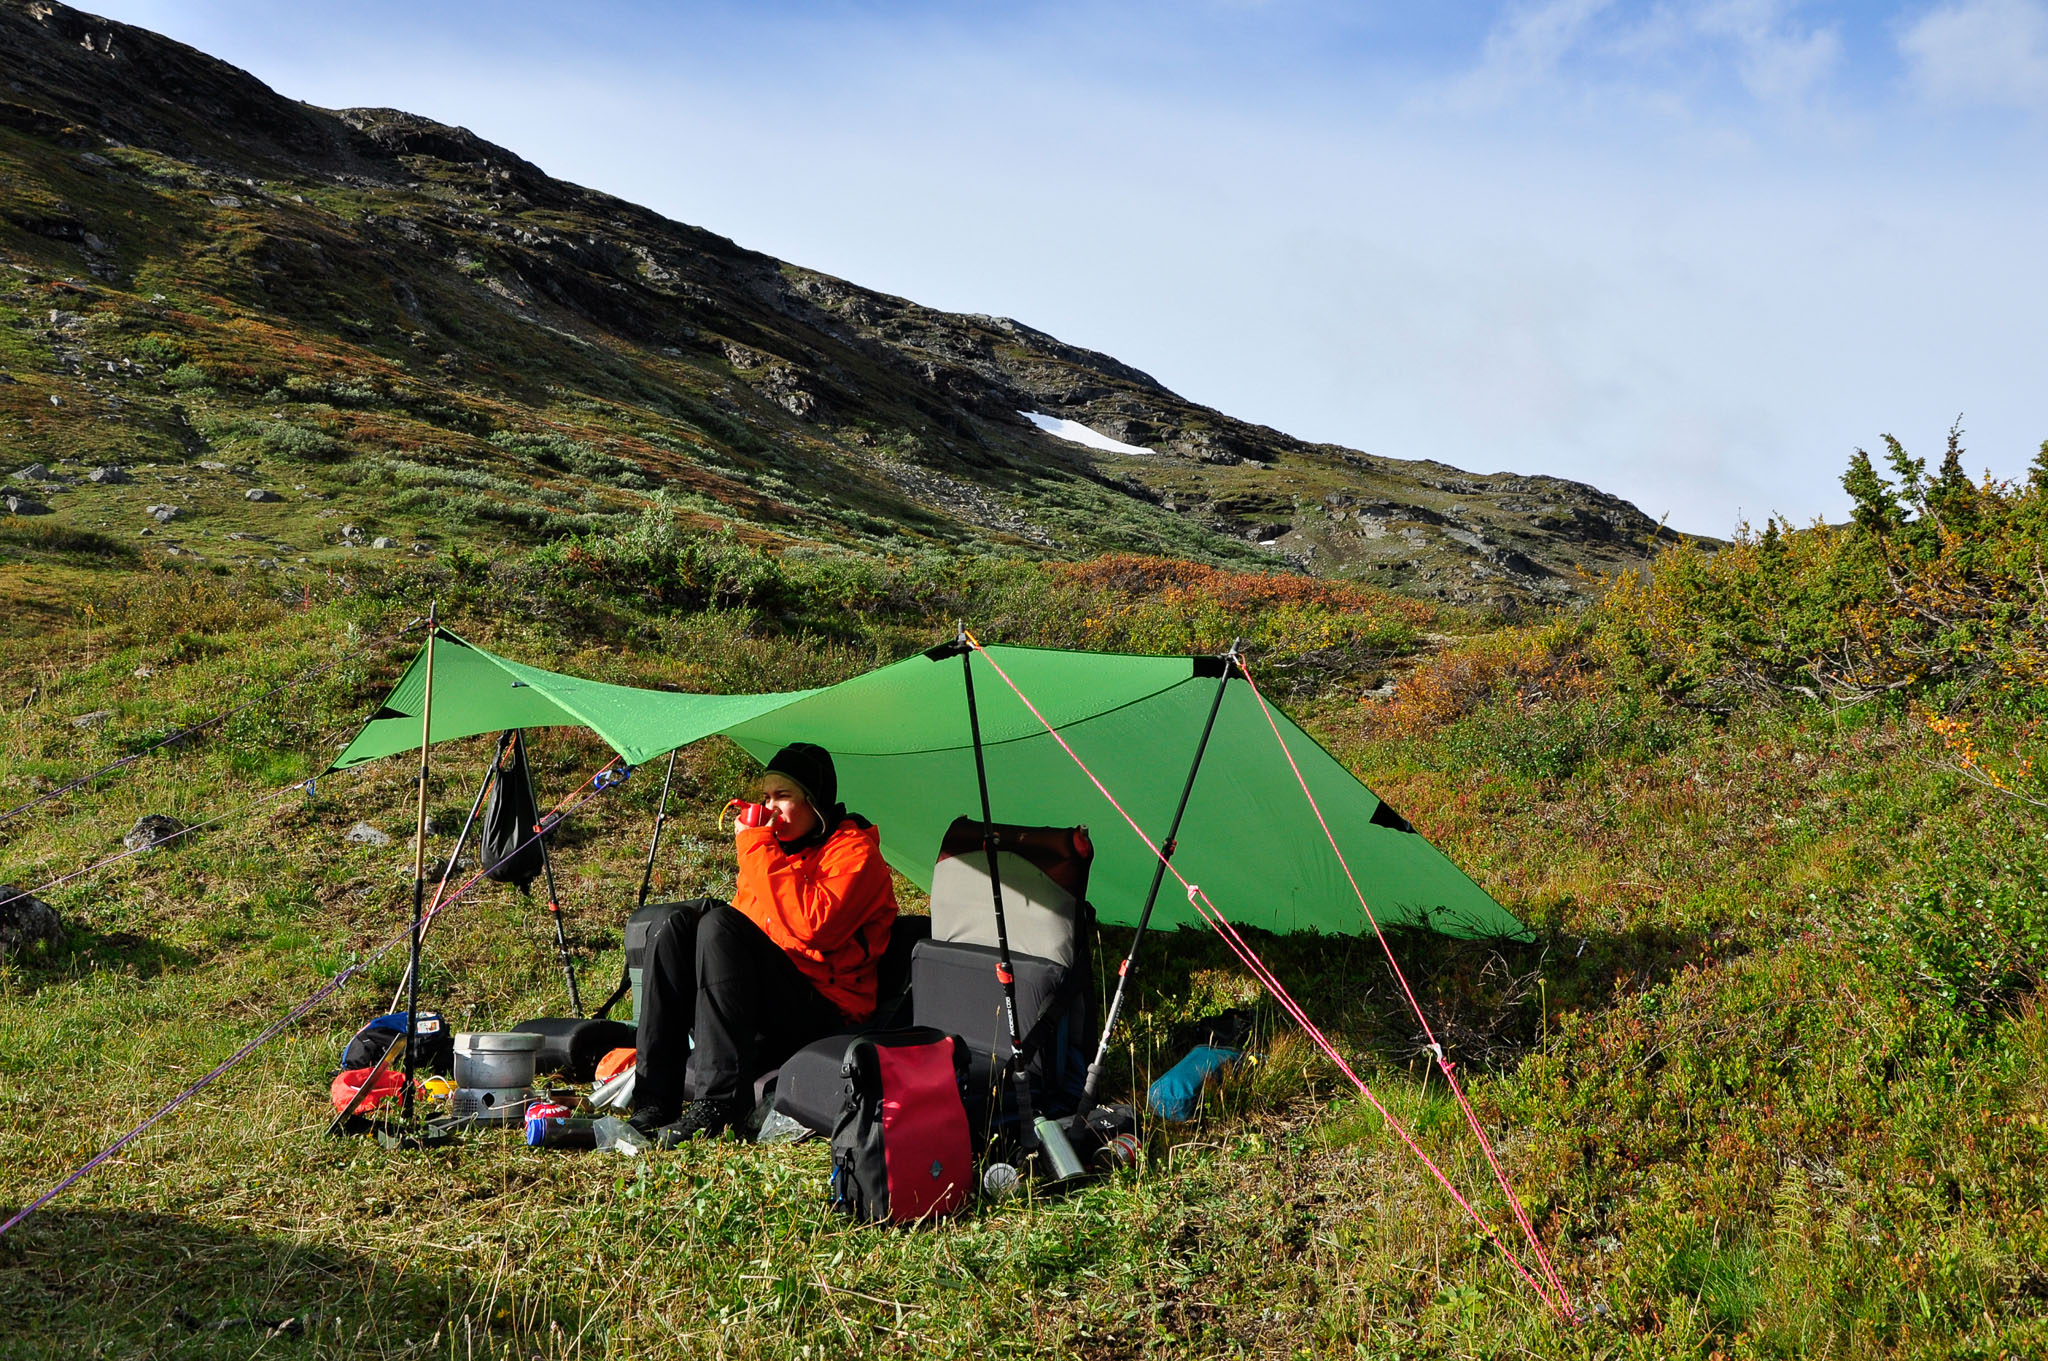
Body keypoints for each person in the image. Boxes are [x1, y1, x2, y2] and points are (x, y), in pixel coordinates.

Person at [632, 742, 897, 1142]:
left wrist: (756, 845)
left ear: (816, 803)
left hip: (827, 1010)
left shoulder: (855, 854)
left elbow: (813, 926)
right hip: (771, 1001)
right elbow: (752, 928)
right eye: (766, 797)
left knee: (720, 925)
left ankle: (718, 1104)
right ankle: (655, 1100)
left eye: (783, 797)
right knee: (674, 927)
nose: (770, 808)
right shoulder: (774, 852)